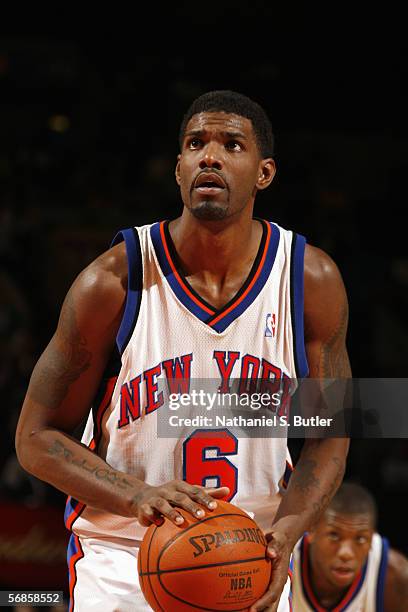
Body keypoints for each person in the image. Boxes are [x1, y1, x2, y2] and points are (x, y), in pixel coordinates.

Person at [15, 90, 350, 612]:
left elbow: (333, 437)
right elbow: (34, 438)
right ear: (179, 169)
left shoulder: (312, 280)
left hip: (249, 556)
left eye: (231, 145)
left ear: (264, 173)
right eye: (196, 144)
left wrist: (287, 534)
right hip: (125, 557)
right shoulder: (111, 282)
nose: (210, 156)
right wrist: (135, 495)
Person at [291, 481, 408, 611]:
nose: (346, 553)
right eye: (334, 536)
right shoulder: (284, 562)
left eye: (360, 539)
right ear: (311, 530)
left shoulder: (395, 577)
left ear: (372, 539)